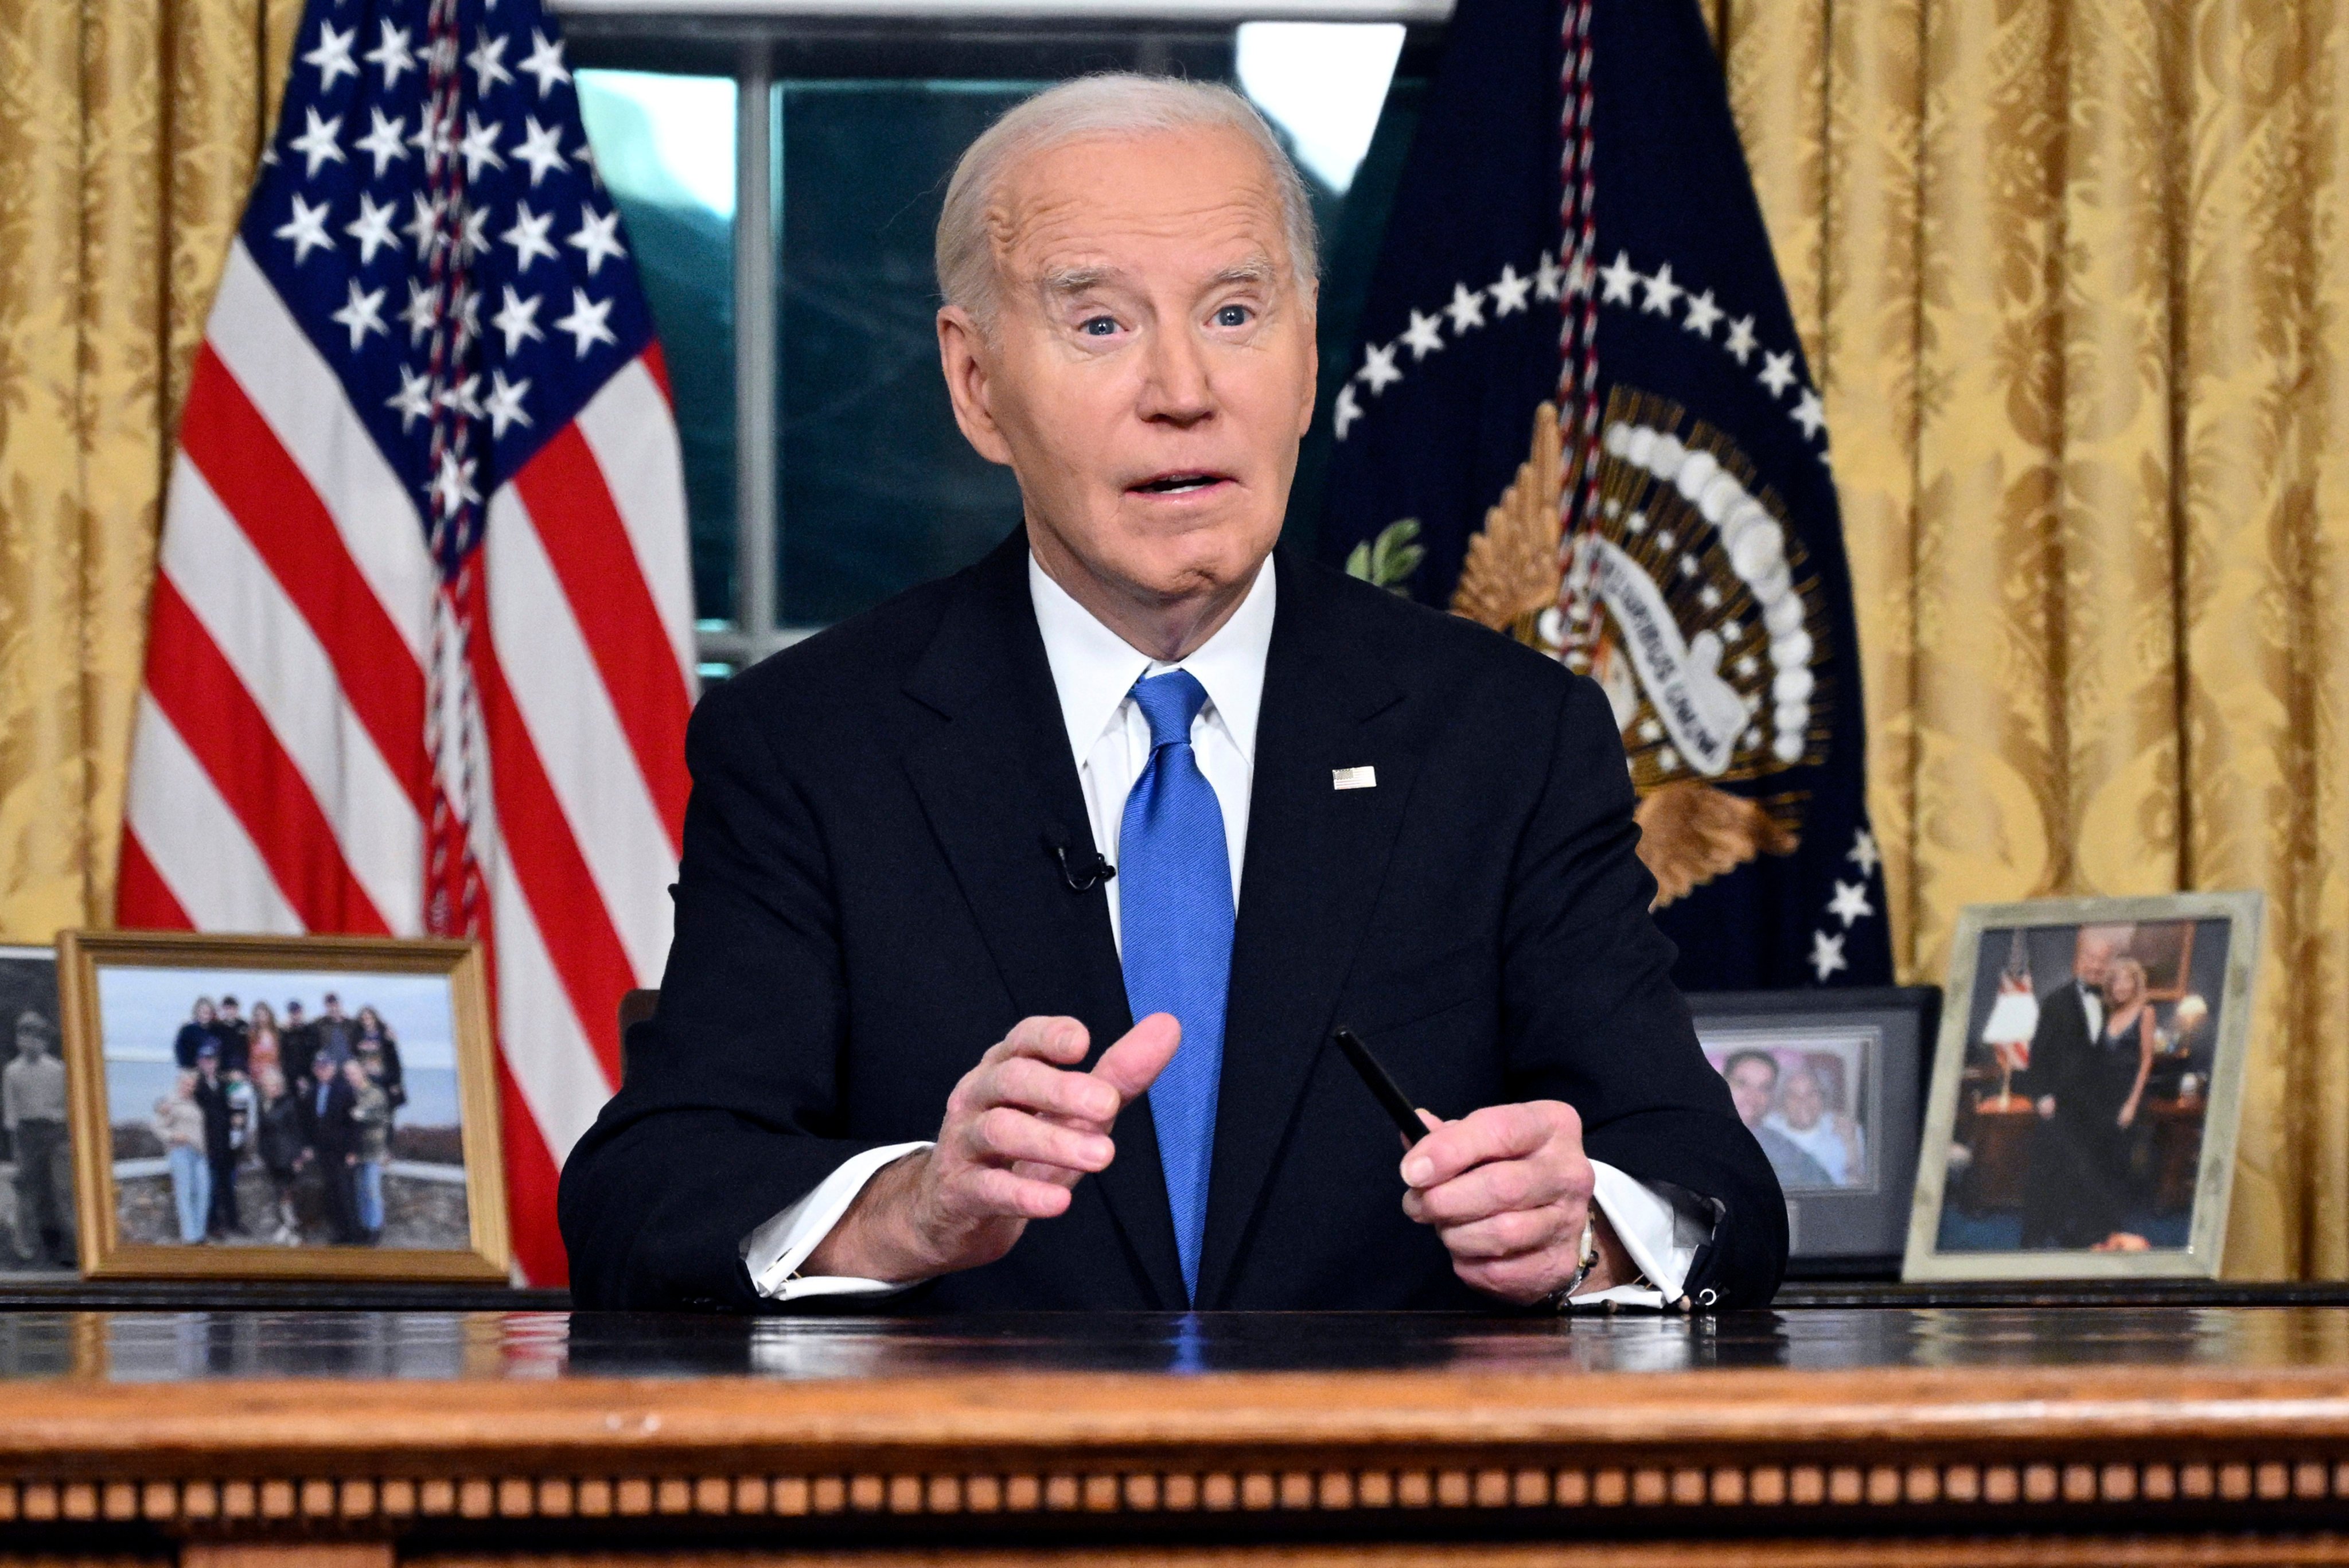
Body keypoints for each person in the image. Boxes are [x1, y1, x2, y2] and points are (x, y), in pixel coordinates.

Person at [559, 76, 1785, 1315]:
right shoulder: (810, 744)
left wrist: (1579, 1233)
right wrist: (911, 1207)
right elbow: (646, 1191)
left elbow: (1708, 1182)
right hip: (975, 1487)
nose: (1183, 389)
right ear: (976, 383)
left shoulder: (1508, 738)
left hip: (1384, 1489)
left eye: (1236, 312)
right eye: (1100, 325)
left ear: (1306, 359)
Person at [2018, 925, 2128, 1249]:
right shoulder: (2055, 1003)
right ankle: (2034, 1236)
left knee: (2097, 1172)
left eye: (2103, 960)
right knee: (2049, 1173)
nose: (2096, 966)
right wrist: (2041, 1096)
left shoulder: (2117, 1004)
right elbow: (2037, 1058)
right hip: (2062, 1106)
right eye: (2090, 958)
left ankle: (2088, 1235)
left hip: (2100, 1107)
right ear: (2078, 960)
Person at [1, 1011, 73, 1267]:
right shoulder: (12, 1072)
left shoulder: (58, 1070)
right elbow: (11, 1115)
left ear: (45, 1041)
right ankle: (26, 1246)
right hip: (27, 1133)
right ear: (19, 1040)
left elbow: (69, 1107)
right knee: (27, 1190)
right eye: (26, 1036)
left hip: (55, 1133)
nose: (32, 1043)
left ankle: (65, 1248)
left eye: (38, 1037)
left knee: (59, 1189)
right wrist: (16, 1150)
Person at [1720, 1052, 1832, 1191]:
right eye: (1742, 1084)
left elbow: (1829, 1194)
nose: (1752, 1097)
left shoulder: (1784, 1150)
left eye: (1764, 1088)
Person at [1764, 1066, 1865, 1187]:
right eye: (1793, 1095)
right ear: (1781, 1102)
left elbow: (1858, 1192)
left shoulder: (1848, 1130)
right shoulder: (1765, 1129)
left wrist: (1851, 1146)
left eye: (1812, 1093)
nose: (1803, 1101)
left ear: (1823, 1097)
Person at [303, 1058, 363, 1245]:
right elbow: (309, 1124)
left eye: (326, 1067)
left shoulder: (345, 1090)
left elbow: (355, 1123)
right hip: (324, 1152)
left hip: (343, 1151)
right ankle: (341, 1234)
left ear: (333, 1068)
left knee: (346, 1194)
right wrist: (310, 1146)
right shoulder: (313, 1091)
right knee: (333, 1194)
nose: (323, 1071)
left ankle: (354, 1236)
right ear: (315, 1070)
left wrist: (353, 1151)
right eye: (319, 1068)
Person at [152, 1069, 209, 1245]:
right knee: (184, 1194)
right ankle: (190, 1237)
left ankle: (200, 1235)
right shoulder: (170, 1102)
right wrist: (173, 1136)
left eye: (192, 1085)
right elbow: (157, 1127)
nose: (189, 1087)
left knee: (203, 1193)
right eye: (186, 1084)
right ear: (179, 1083)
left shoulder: (196, 1102)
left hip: (200, 1153)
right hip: (181, 1153)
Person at [252, 1064, 307, 1246]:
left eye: (274, 1085)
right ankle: (287, 1226)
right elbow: (261, 1131)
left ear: (280, 1085)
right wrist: (260, 1152)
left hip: (288, 1156)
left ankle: (293, 1229)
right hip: (272, 1156)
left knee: (289, 1193)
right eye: (268, 1085)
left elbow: (297, 1131)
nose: (271, 1088)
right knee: (279, 1192)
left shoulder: (289, 1103)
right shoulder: (263, 1104)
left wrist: (298, 1157)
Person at [190, 1043, 241, 1239]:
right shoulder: (197, 1086)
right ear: (199, 1063)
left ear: (217, 1062)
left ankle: (233, 1222)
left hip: (227, 1144)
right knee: (210, 1187)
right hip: (208, 1144)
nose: (209, 1064)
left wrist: (236, 1119)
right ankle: (213, 1225)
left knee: (229, 1186)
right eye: (205, 1060)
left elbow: (236, 1104)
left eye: (212, 1060)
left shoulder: (224, 1084)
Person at [346, 1058, 391, 1245]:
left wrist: (360, 1115)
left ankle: (375, 1229)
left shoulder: (375, 1093)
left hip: (374, 1150)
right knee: (360, 1192)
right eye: (348, 1075)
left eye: (354, 1073)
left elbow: (378, 1117)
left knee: (372, 1191)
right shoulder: (350, 1094)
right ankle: (364, 1228)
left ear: (362, 1073)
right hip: (357, 1151)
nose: (351, 1077)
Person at [355, 1007, 405, 1113]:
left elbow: (395, 1062)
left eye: (369, 1018)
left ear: (375, 1019)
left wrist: (395, 1083)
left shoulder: (385, 1037)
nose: (367, 1022)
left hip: (384, 1079)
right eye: (364, 1019)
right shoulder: (358, 1037)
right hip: (366, 1081)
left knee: (386, 1111)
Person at [209, 995, 250, 1077]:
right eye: (227, 1009)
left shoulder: (244, 1025)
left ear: (237, 1009)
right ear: (223, 1009)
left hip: (242, 1070)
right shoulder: (216, 1027)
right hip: (222, 1070)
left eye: (233, 1008)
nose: (230, 1011)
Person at [172, 999, 216, 1070]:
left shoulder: (218, 1030)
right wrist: (188, 1066)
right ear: (196, 1012)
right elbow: (180, 1050)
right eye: (202, 1012)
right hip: (192, 1069)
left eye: (208, 1012)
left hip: (213, 1071)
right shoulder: (187, 1030)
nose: (205, 1015)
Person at [247, 1001, 282, 1082]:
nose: (261, 1018)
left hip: (274, 1077)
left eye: (264, 1015)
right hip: (256, 1076)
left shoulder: (277, 1034)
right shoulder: (251, 1035)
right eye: (258, 1015)